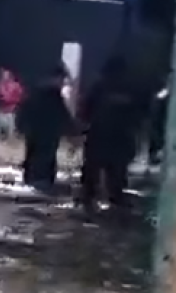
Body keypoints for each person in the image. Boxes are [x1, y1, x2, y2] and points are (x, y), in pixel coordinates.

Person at [80, 56, 145, 209]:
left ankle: (88, 197)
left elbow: (86, 109)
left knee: (93, 167)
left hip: (100, 133)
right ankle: (115, 197)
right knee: (116, 169)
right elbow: (139, 113)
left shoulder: (99, 87)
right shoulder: (131, 89)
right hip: (120, 135)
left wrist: (84, 124)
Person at [16, 64, 74, 190]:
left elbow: (23, 111)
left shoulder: (35, 93)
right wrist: (72, 129)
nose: (62, 83)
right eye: (62, 79)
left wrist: (22, 126)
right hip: (46, 134)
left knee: (35, 155)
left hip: (36, 132)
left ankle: (33, 180)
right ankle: (40, 181)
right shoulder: (52, 96)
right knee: (44, 157)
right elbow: (63, 115)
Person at [0, 67, 24, 141]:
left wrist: (8, 100)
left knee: (10, 136)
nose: (5, 75)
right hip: (0, 112)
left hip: (11, 112)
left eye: (6, 74)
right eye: (3, 74)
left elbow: (19, 97)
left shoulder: (16, 86)